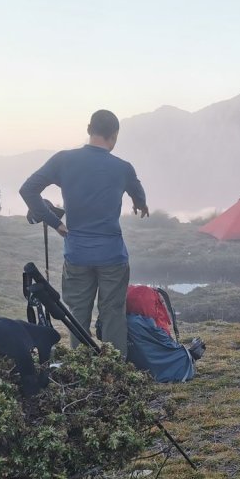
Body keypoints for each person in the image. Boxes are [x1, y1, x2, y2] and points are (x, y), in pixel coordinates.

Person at [20, 109, 148, 357]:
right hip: (112, 256)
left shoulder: (64, 160)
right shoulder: (123, 168)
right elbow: (138, 191)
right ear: (114, 135)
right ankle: (115, 373)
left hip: (77, 253)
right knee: (112, 313)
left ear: (89, 129)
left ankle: (83, 370)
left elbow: (28, 189)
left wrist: (53, 221)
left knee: (78, 313)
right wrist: (140, 204)